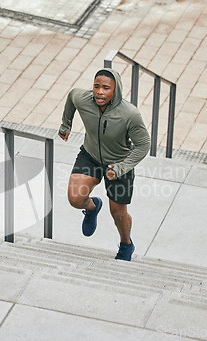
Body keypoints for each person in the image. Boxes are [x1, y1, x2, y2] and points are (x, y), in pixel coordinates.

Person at [58, 68, 150, 261]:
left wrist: (121, 168)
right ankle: (92, 207)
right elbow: (71, 96)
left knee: (118, 213)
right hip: (90, 155)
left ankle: (126, 244)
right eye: (96, 86)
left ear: (115, 90)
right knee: (75, 198)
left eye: (106, 88)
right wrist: (66, 124)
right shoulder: (83, 99)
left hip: (119, 163)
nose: (99, 92)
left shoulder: (130, 114)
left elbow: (143, 144)